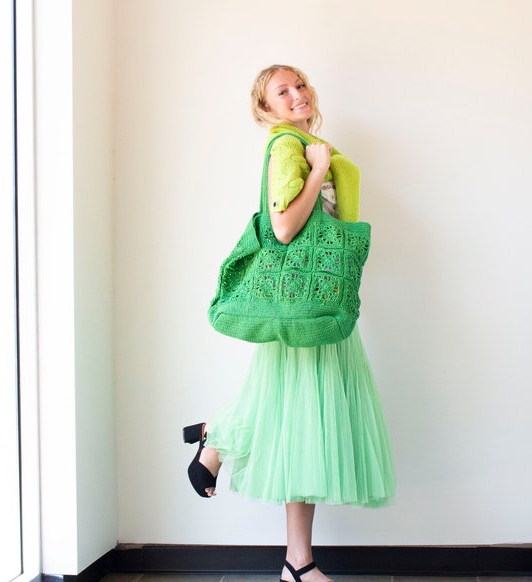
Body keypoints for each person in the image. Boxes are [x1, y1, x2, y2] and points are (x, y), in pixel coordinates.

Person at [183, 64, 396, 582]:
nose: (297, 94)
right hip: (304, 305)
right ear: (267, 108)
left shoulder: (310, 144)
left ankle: (294, 558)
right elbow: (281, 228)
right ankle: (295, 559)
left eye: (300, 84)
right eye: (283, 91)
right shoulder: (288, 148)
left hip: (317, 306)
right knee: (302, 425)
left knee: (302, 430)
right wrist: (319, 170)